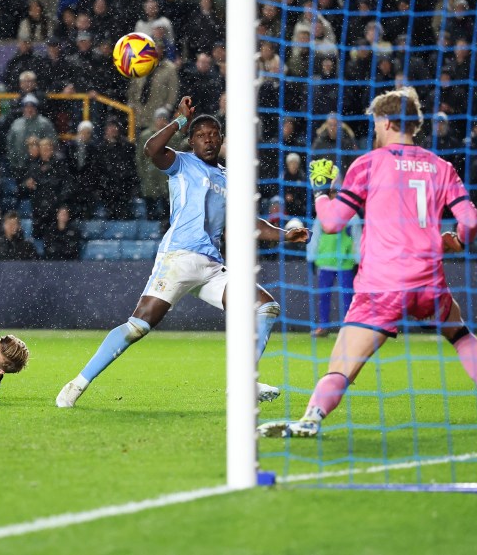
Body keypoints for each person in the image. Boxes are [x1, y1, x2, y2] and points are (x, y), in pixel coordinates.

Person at [259, 88, 477, 438]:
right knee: (459, 333)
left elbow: (335, 222)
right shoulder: (440, 167)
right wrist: (457, 241)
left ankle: (311, 417)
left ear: (385, 122)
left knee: (343, 364)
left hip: (380, 285)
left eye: (375, 123)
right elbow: (471, 222)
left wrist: (321, 191)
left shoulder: (367, 164)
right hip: (428, 281)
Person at [56, 97, 310, 408]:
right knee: (138, 327)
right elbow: (151, 150)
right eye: (201, 134)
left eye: (214, 134)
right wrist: (178, 120)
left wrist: (286, 235)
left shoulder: (231, 179)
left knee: (265, 308)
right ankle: (77, 384)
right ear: (191, 140)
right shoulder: (182, 163)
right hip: (178, 259)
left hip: (212, 267)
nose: (209, 139)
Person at [306, 216, 361, 338]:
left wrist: (358, 260)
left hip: (345, 263)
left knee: (348, 298)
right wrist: (311, 257)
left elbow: (357, 238)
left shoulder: (352, 216)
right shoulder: (323, 213)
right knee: (323, 297)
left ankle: (348, 327)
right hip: (326, 262)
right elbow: (315, 237)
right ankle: (323, 327)